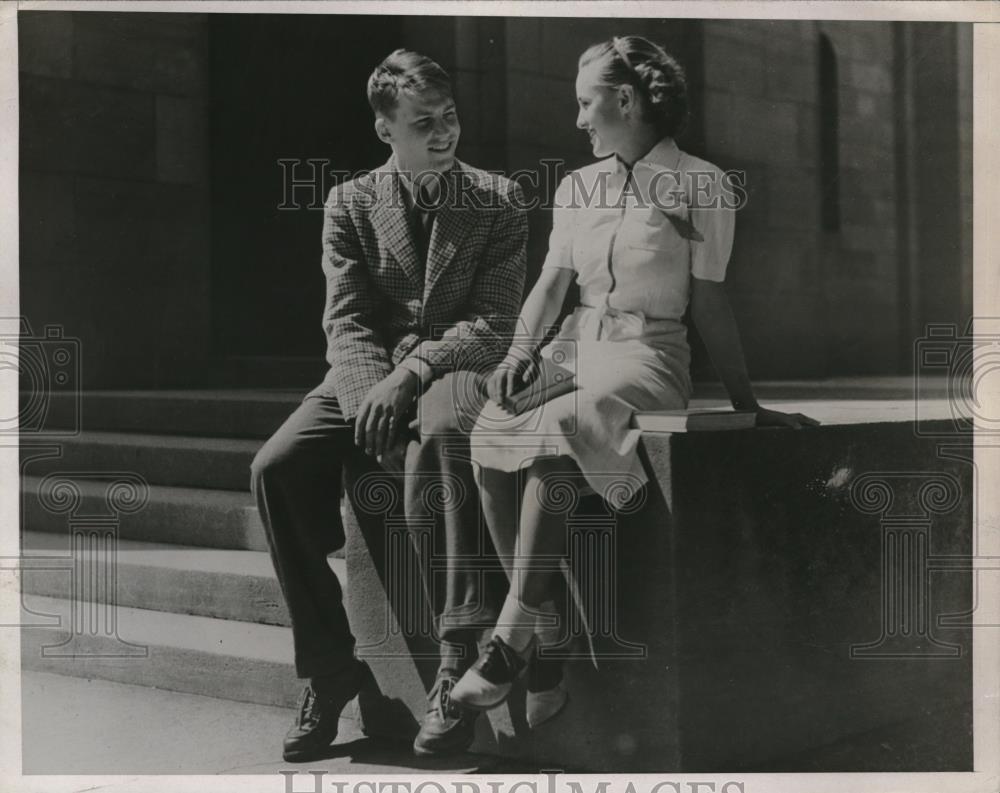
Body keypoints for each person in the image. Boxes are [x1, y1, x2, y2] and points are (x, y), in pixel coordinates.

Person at [450, 35, 819, 712]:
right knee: (492, 428)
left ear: (626, 100)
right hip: (574, 344)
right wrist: (517, 355)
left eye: (586, 103)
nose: (579, 119)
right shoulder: (577, 185)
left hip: (648, 353)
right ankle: (548, 628)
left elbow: (709, 298)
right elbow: (552, 282)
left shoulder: (702, 183)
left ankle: (508, 644)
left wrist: (748, 403)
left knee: (559, 428)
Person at [250, 49, 528, 761]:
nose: (444, 134)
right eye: (424, 122)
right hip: (361, 375)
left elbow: (496, 322)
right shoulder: (349, 202)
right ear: (386, 131)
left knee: (436, 449)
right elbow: (345, 320)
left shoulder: (498, 199)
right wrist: (373, 393)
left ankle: (452, 667)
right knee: (275, 468)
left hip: (452, 369)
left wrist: (411, 376)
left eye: (451, 118)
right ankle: (329, 672)